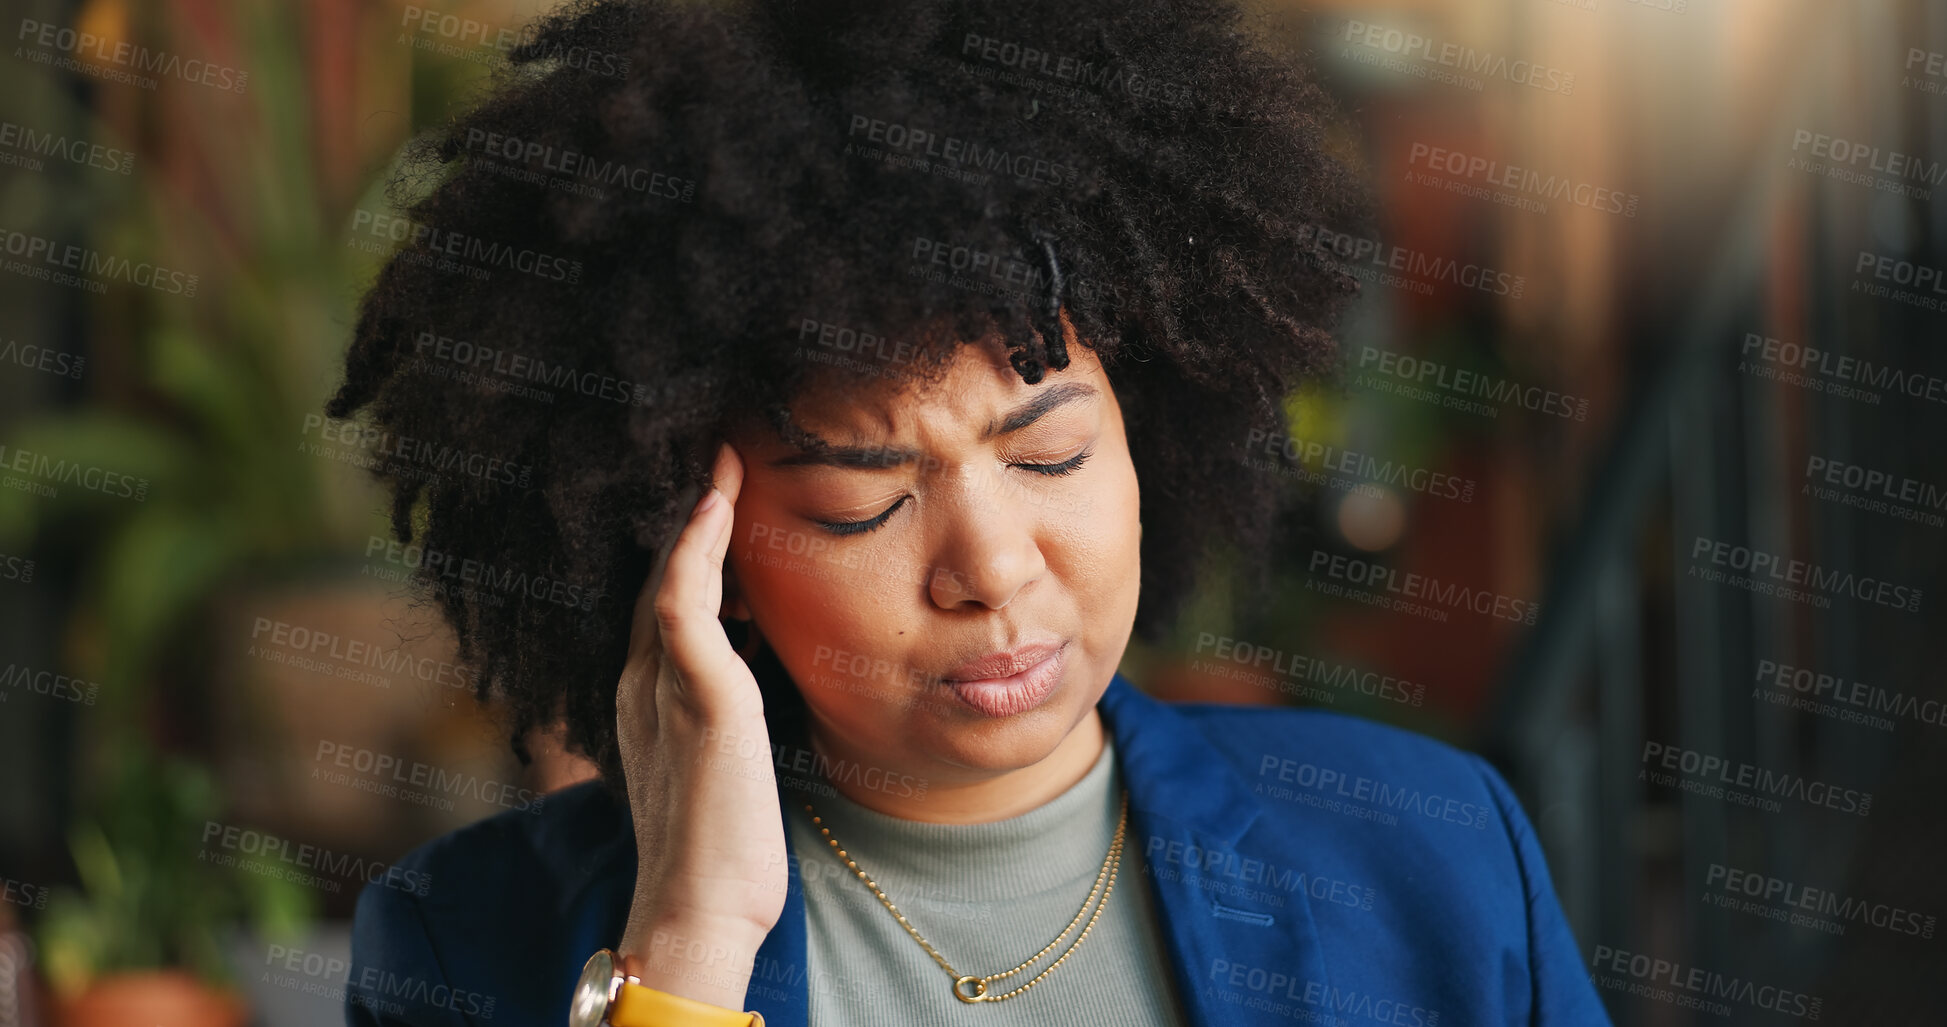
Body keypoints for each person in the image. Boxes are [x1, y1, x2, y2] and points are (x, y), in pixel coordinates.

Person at [329, 0, 1611, 1024]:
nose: (991, 567)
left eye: (1050, 456)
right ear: (691, 545)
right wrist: (690, 942)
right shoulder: (471, 945)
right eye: (859, 503)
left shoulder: (1432, 856)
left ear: (1150, 435)